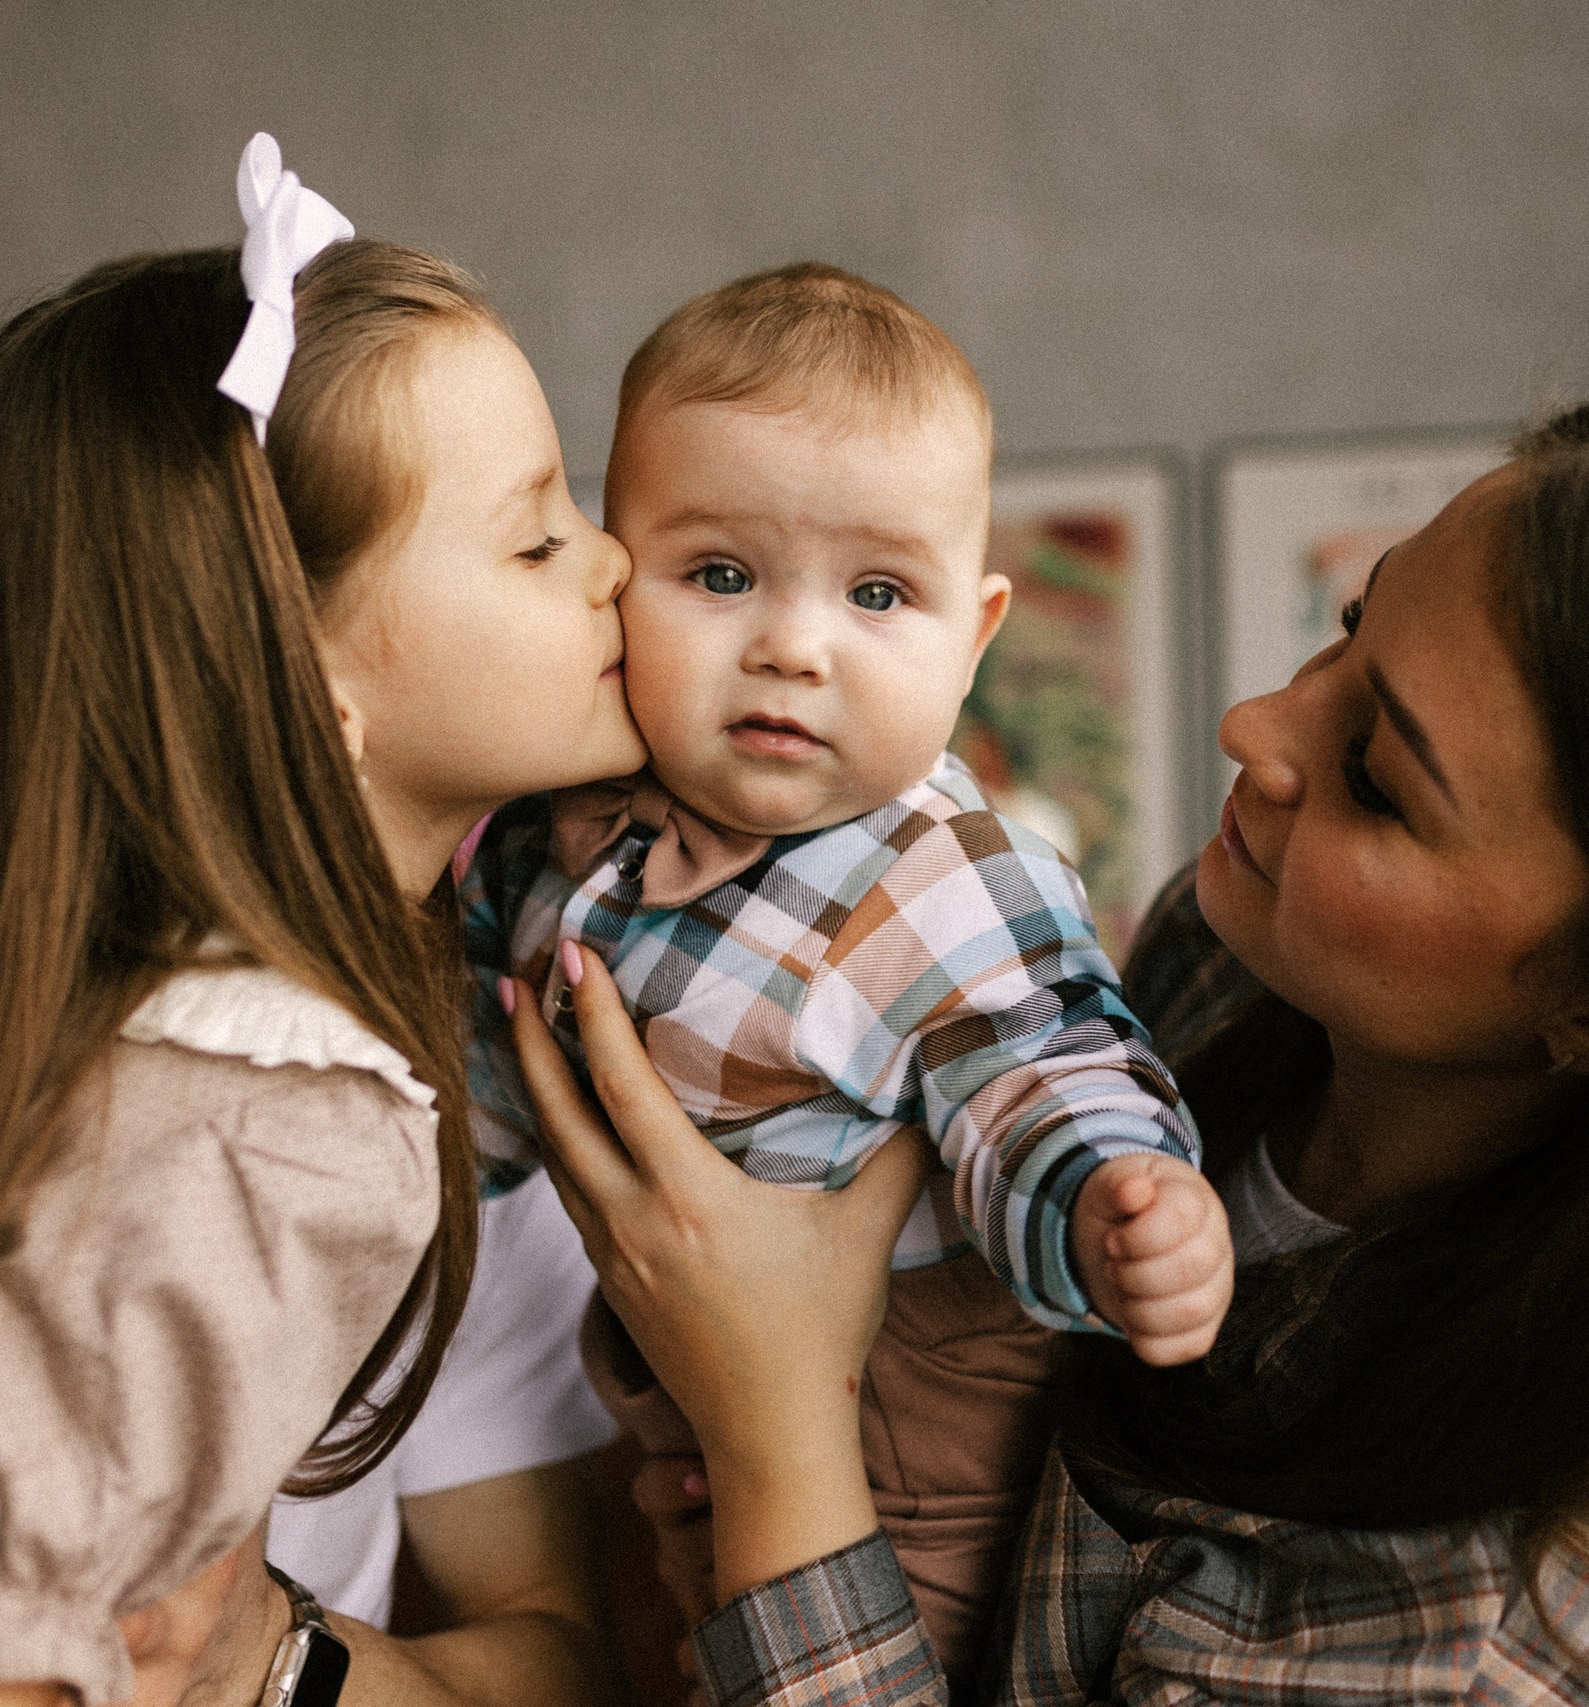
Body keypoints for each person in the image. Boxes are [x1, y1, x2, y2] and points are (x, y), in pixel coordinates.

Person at [517, 393, 1589, 1706]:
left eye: (1382, 776)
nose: (1257, 729)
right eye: (1350, 630)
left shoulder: (1533, 1627)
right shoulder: (1228, 977)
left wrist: (777, 1439)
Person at [0, 146, 643, 1706]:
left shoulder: (66, 960)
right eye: (535, 537)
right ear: (311, 687)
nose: (615, 560)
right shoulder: (275, 1126)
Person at [458, 264, 1229, 1668]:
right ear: (611, 576)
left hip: (915, 1424)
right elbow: (481, 1023)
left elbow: (1038, 1060)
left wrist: (1116, 1196)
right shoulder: (571, 815)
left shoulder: (937, 873)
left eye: (878, 592)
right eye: (721, 575)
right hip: (675, 1382)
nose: (793, 646)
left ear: (975, 636)